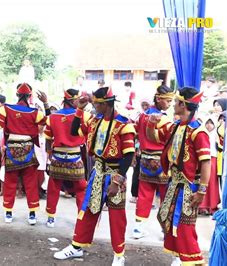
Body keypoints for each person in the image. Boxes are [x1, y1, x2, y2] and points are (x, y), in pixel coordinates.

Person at [54, 87, 135, 266]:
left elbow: (129, 155)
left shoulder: (124, 124)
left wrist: (118, 180)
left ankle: (119, 254)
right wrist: (79, 109)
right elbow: (75, 131)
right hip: (98, 172)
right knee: (88, 209)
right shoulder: (94, 120)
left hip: (115, 174)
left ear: (105, 104)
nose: (94, 106)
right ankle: (77, 246)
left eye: (96, 103)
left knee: (117, 217)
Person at [146, 87, 210, 265]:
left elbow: (206, 162)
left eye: (175, 102)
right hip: (174, 183)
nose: (173, 104)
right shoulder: (174, 126)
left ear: (183, 104)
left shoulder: (198, 131)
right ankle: (181, 259)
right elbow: (153, 137)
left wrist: (202, 191)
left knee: (185, 228)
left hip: (190, 186)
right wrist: (151, 123)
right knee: (167, 220)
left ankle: (195, 262)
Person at [0, 83, 47, 225]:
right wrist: (46, 103)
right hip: (28, 149)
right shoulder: (35, 112)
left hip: (12, 149)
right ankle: (32, 214)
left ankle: (8, 212)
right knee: (30, 182)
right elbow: (48, 121)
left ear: (16, 95)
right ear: (30, 96)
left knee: (10, 181)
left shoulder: (6, 109)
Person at [132, 85, 175, 239]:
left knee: (144, 194)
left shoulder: (142, 115)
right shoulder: (162, 119)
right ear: (158, 99)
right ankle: (165, 230)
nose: (170, 104)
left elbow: (135, 133)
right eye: (167, 101)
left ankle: (137, 227)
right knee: (165, 195)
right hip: (161, 160)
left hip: (145, 159)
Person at [44, 89, 88, 228]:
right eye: (77, 100)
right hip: (75, 156)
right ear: (71, 100)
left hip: (57, 156)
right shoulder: (84, 115)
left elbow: (48, 138)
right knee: (81, 188)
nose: (79, 102)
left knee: (53, 187)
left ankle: (51, 217)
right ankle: (82, 217)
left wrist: (49, 155)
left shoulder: (52, 116)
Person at [198, 118, 220, 215]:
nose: (209, 125)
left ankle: (212, 206)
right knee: (203, 181)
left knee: (212, 183)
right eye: (207, 122)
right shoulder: (201, 134)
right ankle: (202, 206)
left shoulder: (216, 135)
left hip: (214, 159)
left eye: (211, 123)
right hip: (203, 159)